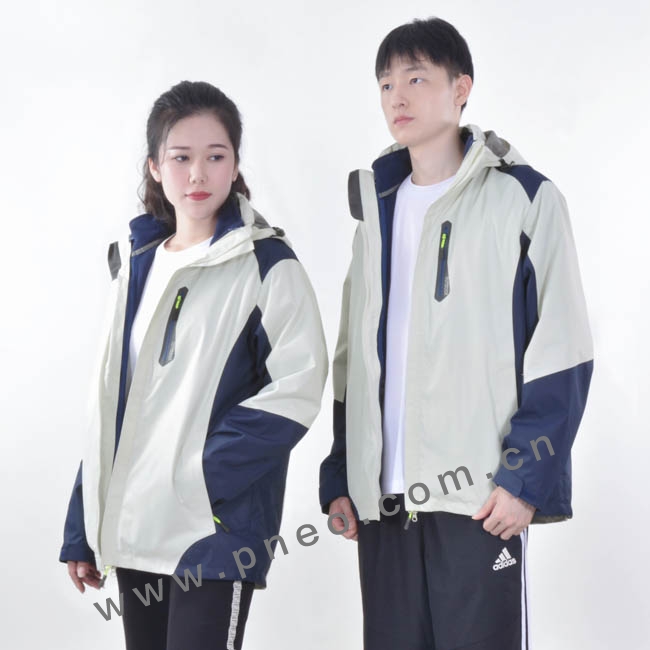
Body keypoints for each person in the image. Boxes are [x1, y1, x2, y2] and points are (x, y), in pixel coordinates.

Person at [320, 17, 593, 650]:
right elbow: (353, 361)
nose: (397, 96)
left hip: (480, 499)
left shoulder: (524, 199)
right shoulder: (376, 216)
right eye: (386, 84)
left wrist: (524, 480)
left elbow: (564, 350)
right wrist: (341, 475)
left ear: (461, 88)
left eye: (416, 78)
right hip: (385, 502)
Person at [60, 80, 328, 650]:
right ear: (155, 167)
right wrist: (84, 523)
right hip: (137, 529)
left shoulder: (266, 264)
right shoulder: (134, 267)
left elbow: (299, 386)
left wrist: (196, 479)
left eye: (216, 156)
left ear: (235, 165)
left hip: (214, 532)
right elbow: (112, 406)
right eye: (181, 158)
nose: (198, 174)